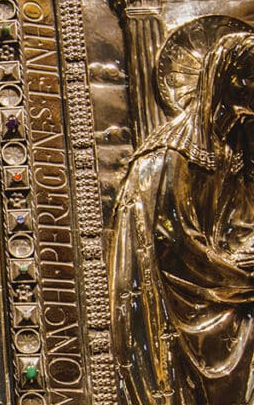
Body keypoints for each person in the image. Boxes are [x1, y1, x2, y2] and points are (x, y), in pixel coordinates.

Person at [110, 31, 254, 404]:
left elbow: (240, 223)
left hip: (228, 292)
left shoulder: (230, 149)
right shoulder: (172, 152)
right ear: (229, 83)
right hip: (187, 306)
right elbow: (176, 246)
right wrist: (240, 273)